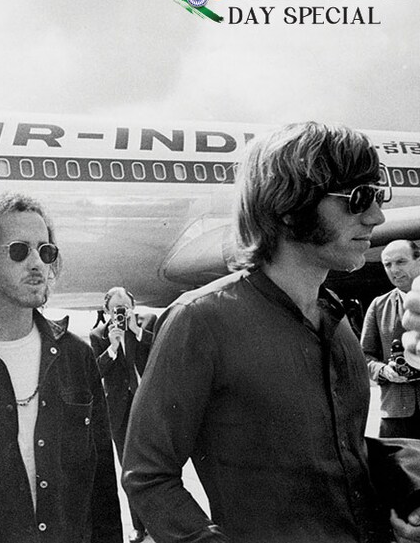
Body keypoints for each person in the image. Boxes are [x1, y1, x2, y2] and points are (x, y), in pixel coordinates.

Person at [122, 121, 420, 543]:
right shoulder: (201, 320)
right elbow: (148, 475)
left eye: (377, 196)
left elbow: (338, 452)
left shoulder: (336, 323)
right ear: (288, 207)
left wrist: (406, 493)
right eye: (357, 199)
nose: (377, 216)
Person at [0, 192, 122, 543]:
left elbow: (103, 491)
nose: (37, 263)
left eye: (46, 251)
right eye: (19, 250)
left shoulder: (75, 356)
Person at [89, 286, 155, 543]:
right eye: (115, 309)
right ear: (106, 312)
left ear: (132, 308)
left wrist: (137, 333)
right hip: (119, 411)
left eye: (124, 308)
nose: (120, 313)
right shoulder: (98, 335)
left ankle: (160, 523)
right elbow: (96, 373)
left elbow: (160, 353)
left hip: (149, 405)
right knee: (129, 469)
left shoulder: (147, 324)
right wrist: (113, 347)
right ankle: (139, 526)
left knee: (158, 464)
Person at [363, 240, 420, 438]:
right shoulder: (379, 306)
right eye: (388, 265)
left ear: (418, 261)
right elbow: (364, 356)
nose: (394, 270)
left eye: (401, 262)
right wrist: (384, 371)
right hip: (397, 413)